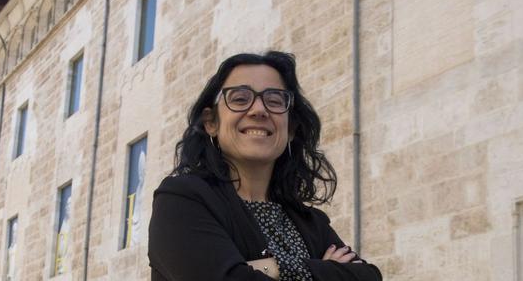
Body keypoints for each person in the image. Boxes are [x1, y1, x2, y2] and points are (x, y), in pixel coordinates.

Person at [149, 51, 381, 281]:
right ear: (211, 123)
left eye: (274, 101)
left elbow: (369, 276)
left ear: (290, 130)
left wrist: (271, 268)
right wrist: (324, 270)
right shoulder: (182, 199)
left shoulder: (311, 221)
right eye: (240, 99)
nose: (259, 110)